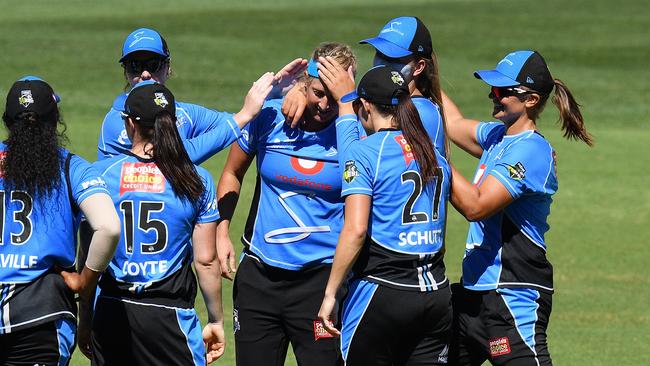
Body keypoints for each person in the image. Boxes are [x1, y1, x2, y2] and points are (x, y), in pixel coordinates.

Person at [86, 79, 272, 365]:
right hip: (170, 316)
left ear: (129, 126)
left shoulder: (99, 176)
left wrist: (85, 317)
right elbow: (206, 261)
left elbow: (88, 257)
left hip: (113, 311)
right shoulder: (196, 180)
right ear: (172, 124)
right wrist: (215, 320)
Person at [442, 50, 593, 365]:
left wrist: (431, 156)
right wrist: (422, 75)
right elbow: (453, 123)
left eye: (502, 91)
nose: (492, 96)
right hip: (473, 296)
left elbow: (476, 206)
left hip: (512, 296)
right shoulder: (497, 137)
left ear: (530, 100)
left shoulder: (532, 151)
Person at [216, 42, 360, 365]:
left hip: (321, 284)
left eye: (334, 98)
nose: (324, 105)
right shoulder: (269, 118)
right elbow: (231, 173)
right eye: (318, 93)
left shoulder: (354, 132)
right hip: (259, 280)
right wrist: (222, 230)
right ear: (306, 83)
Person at [316, 64, 452, 365]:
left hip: (382, 293)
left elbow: (356, 231)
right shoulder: (434, 152)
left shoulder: (366, 154)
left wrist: (330, 293)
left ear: (365, 106)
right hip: (436, 297)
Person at [0, 76, 120, 366]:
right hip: (43, 316)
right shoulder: (72, 168)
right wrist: (84, 280)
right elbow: (109, 227)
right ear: (54, 121)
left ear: (7, 122)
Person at [98, 27, 306, 164]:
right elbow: (176, 158)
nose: (144, 73)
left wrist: (276, 93)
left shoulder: (185, 113)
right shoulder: (119, 120)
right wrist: (244, 115)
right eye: (135, 66)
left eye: (153, 64)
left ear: (168, 67)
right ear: (125, 71)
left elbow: (241, 124)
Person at [282, 16, 447, 158]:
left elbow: (353, 167)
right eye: (380, 54)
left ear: (418, 67)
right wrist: (301, 87)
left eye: (393, 59)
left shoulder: (420, 114)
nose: (382, 65)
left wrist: (345, 101)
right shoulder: (386, 100)